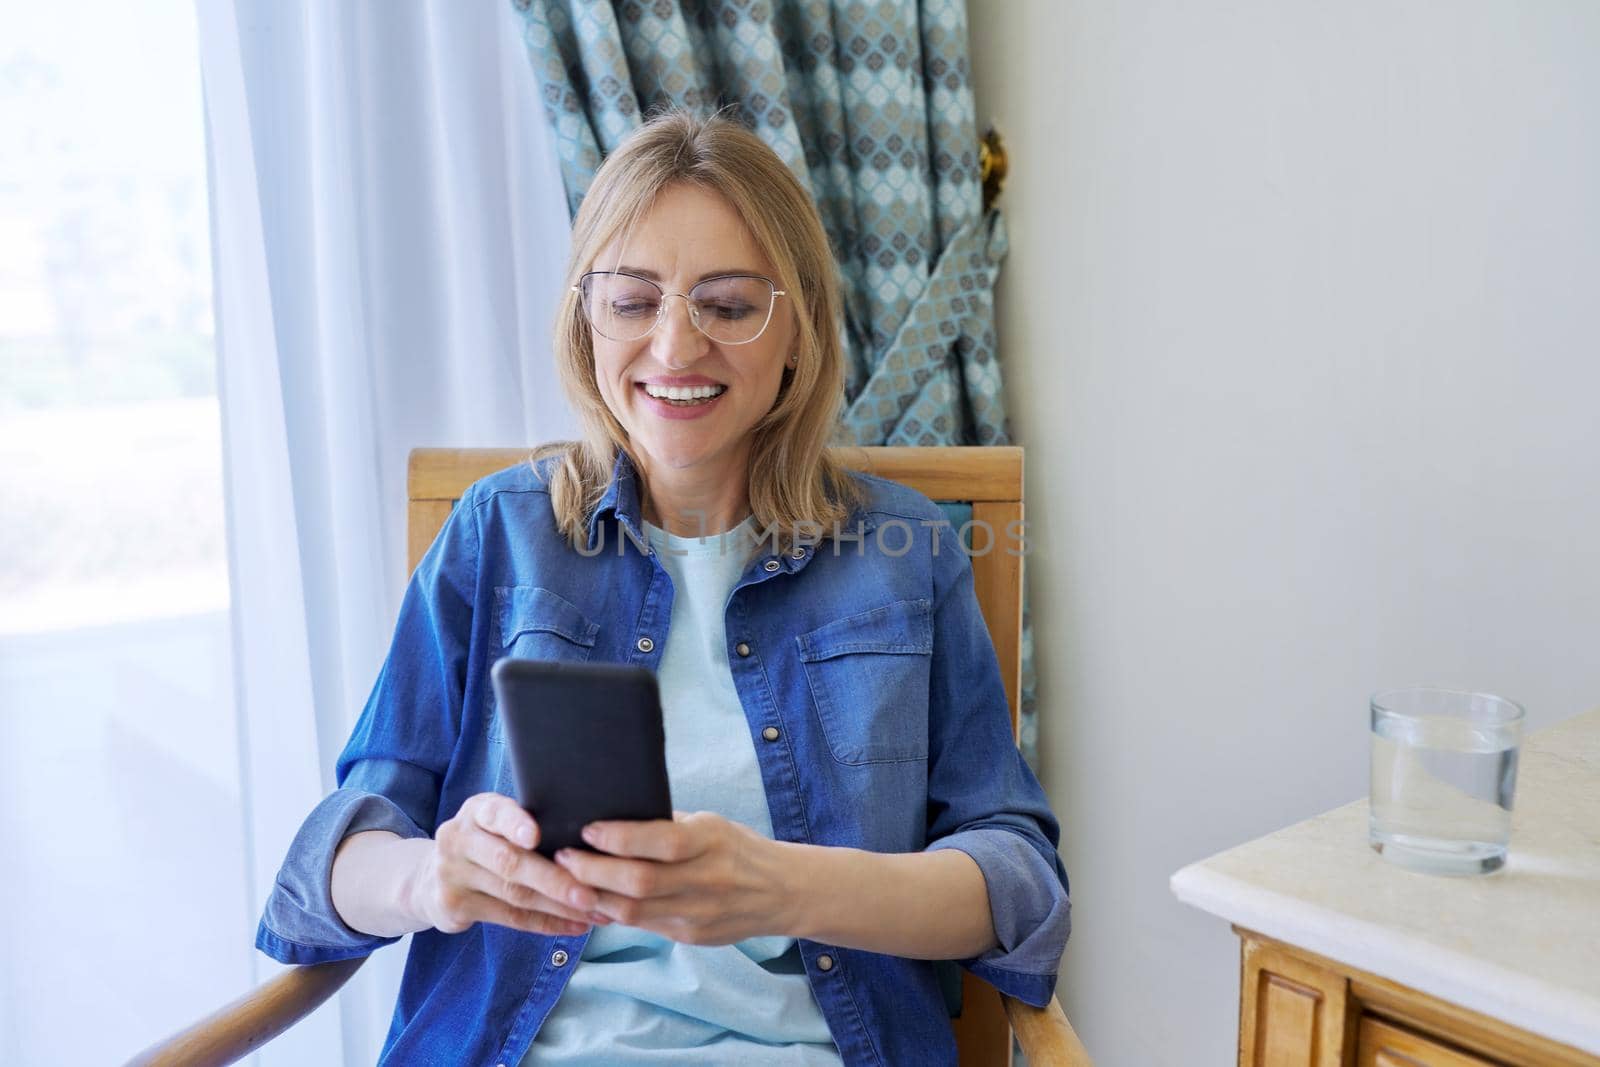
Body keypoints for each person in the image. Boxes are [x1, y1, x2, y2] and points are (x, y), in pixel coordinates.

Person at [258, 110, 1070, 1066]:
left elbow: (1020, 886)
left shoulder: (905, 551)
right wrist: (430, 876)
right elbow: (328, 867)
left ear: (797, 330)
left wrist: (786, 886)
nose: (676, 348)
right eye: (633, 301)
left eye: (727, 306)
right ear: (585, 319)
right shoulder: (497, 533)